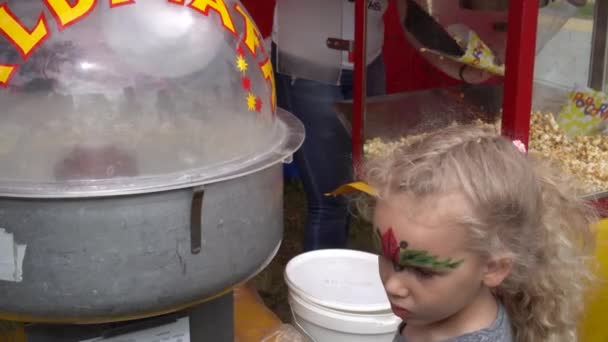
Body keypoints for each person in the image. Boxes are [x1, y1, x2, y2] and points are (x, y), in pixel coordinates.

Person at [360, 125, 596, 341]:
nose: (393, 285)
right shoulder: (438, 308)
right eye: (387, 256)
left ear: (493, 267)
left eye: (423, 271)